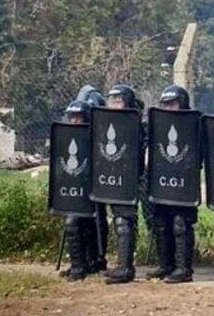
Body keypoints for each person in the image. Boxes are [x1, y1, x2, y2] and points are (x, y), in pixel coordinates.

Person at [146, 85, 198, 283]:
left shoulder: (193, 123)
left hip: (184, 183)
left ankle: (184, 269)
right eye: (165, 104)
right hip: (162, 181)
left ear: (182, 104)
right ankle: (166, 264)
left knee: (180, 224)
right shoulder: (157, 124)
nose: (169, 108)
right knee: (160, 223)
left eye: (173, 104)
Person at [61, 92, 107, 281]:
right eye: (72, 117)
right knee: (72, 223)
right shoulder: (64, 136)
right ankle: (77, 265)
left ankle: (92, 261)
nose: (75, 121)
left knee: (94, 223)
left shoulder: (98, 137)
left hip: (94, 188)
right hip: (73, 189)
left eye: (78, 117)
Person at [103, 83, 144, 284]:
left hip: (128, 178)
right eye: (112, 100)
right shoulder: (107, 122)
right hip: (112, 177)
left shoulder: (133, 122)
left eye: (118, 101)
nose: (114, 104)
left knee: (124, 220)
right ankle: (122, 265)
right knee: (118, 217)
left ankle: (126, 268)